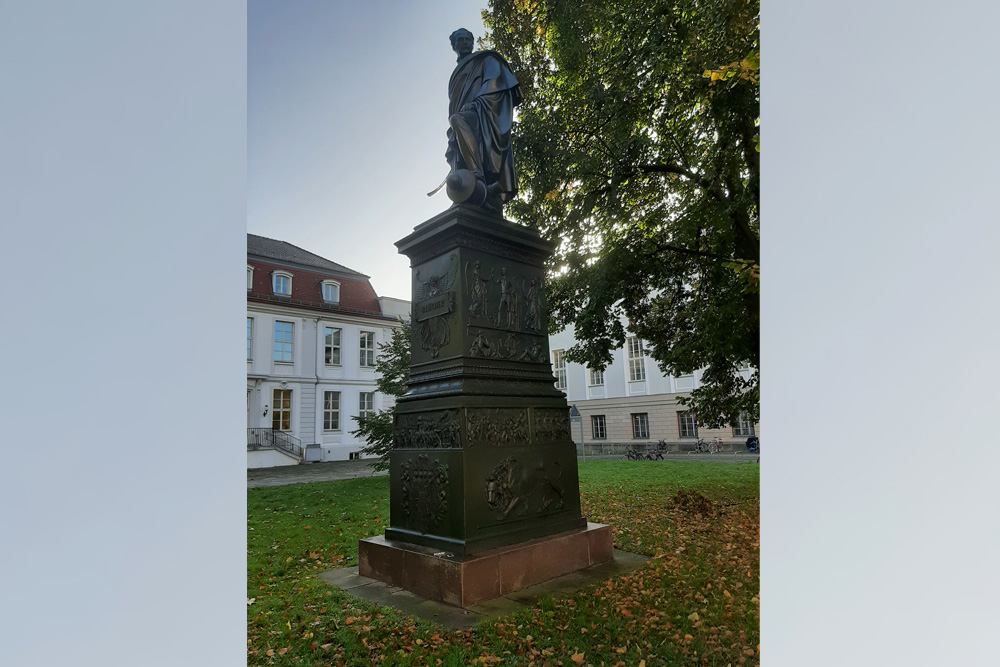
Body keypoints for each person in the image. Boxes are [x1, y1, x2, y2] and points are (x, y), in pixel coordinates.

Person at [445, 28, 522, 212]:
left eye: (467, 39)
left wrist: (478, 103)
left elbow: (496, 83)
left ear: (472, 43)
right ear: (454, 46)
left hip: (483, 112)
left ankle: (477, 179)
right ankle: (469, 189)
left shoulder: (486, 59)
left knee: (457, 120)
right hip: (466, 118)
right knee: (456, 123)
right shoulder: (456, 73)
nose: (464, 42)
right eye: (460, 40)